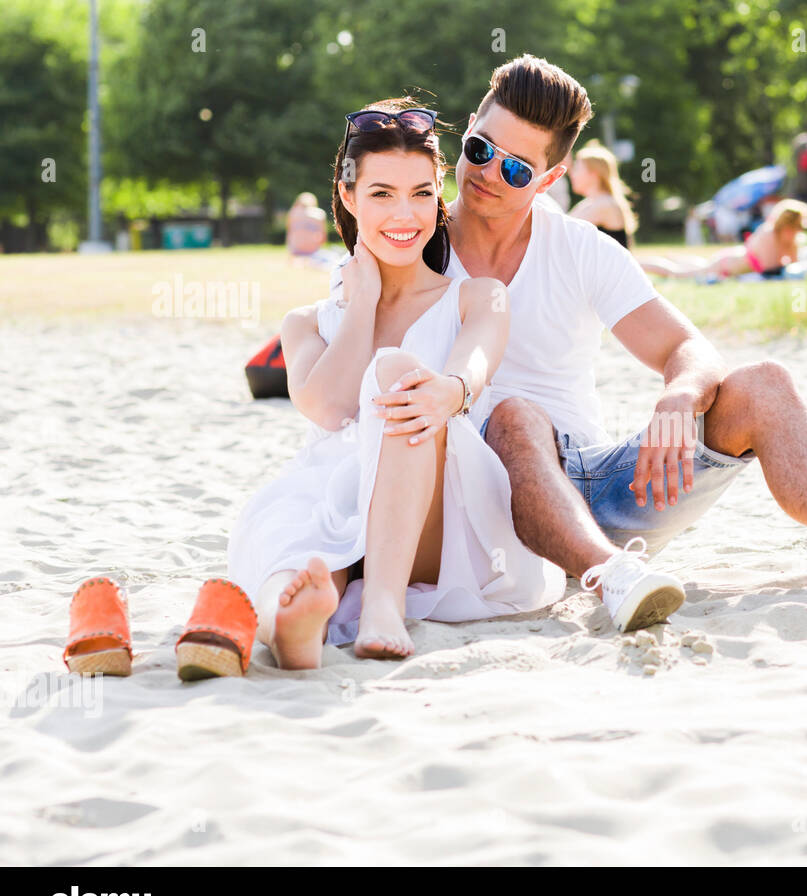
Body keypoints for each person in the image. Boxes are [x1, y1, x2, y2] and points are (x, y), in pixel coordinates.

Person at [420, 55, 807, 634]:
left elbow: (689, 349)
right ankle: (608, 574)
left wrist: (681, 393)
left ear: (551, 178)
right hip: (474, 505)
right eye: (480, 150)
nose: (489, 174)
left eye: (517, 170)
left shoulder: (579, 248)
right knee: (515, 416)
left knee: (762, 384)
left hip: (589, 492)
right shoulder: (414, 242)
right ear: (466, 131)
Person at [226, 97, 563, 669]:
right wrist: (362, 307)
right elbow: (330, 410)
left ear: (439, 197)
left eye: (422, 193)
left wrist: (450, 389)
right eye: (382, 194)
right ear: (349, 197)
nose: (404, 215)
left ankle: (383, 603)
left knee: (396, 374)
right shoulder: (307, 323)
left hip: (438, 516)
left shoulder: (477, 297)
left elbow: (474, 363)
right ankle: (290, 624)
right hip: (332, 502)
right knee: (295, 537)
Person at [638, 198, 807, 280]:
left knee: (695, 266)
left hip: (728, 261)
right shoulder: (769, 234)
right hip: (725, 266)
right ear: (788, 225)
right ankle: (638, 265)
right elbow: (770, 269)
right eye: (798, 226)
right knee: (675, 273)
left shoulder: (789, 240)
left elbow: (792, 268)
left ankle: (664, 259)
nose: (799, 231)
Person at [567, 140, 638, 248]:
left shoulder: (604, 204)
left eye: (577, 169)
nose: (572, 174)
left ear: (594, 174)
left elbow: (565, 230)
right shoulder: (591, 203)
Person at [285, 192, 335, 268]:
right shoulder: (319, 214)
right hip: (312, 252)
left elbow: (289, 234)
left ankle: (301, 261)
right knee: (332, 257)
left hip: (295, 251)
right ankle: (307, 261)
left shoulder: (292, 213)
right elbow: (323, 238)